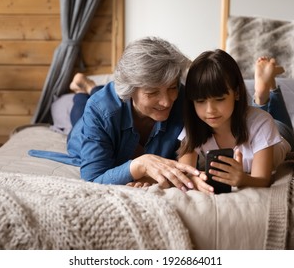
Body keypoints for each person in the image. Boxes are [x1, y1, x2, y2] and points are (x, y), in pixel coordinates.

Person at [29, 36, 199, 191]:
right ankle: (81, 90)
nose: (167, 101)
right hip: (86, 123)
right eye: (152, 93)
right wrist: (141, 165)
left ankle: (90, 86)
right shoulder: (99, 109)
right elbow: (93, 178)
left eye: (172, 88)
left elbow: (187, 154)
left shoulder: (183, 100)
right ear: (131, 90)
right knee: (79, 115)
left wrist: (150, 177)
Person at [177, 49, 294, 194]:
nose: (210, 110)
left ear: (237, 93)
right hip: (250, 119)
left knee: (272, 121)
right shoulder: (194, 126)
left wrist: (243, 180)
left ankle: (267, 88)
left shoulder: (263, 123)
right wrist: (193, 180)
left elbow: (263, 179)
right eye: (200, 101)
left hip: (281, 135)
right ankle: (263, 92)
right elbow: (186, 171)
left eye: (219, 99)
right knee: (256, 115)